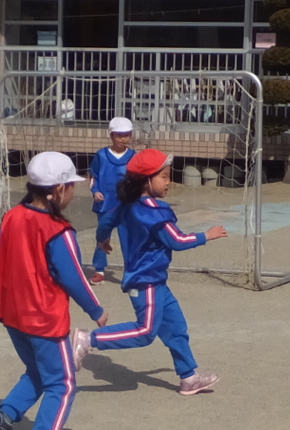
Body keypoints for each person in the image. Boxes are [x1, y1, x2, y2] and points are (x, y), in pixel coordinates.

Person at [0, 150, 110, 430]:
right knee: (63, 383)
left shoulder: (12, 217)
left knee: (38, 372)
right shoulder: (59, 230)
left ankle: (4, 418)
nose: (74, 192)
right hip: (44, 318)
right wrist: (95, 308)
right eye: (71, 186)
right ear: (58, 190)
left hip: (12, 315)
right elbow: (73, 276)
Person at [89, 148, 228, 395]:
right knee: (145, 332)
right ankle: (87, 340)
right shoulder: (155, 211)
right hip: (145, 281)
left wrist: (102, 238)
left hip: (156, 280)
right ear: (146, 181)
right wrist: (206, 235)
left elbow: (106, 222)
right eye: (164, 176)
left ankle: (189, 377)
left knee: (176, 327)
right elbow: (177, 241)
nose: (169, 182)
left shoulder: (127, 205)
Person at [88, 116, 139, 274]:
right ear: (111, 135)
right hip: (105, 204)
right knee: (102, 235)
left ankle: (131, 271)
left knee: (128, 239)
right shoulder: (102, 155)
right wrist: (95, 191)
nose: (123, 139)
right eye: (119, 135)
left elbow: (138, 180)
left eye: (126, 135)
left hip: (126, 205)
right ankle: (99, 269)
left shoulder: (134, 156)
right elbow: (94, 176)